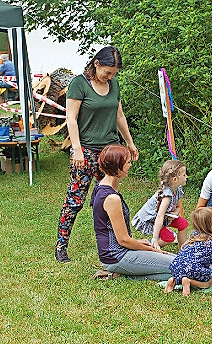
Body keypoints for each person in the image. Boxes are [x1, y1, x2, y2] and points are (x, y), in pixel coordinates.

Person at [55, 46, 139, 263]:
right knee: (75, 200)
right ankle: (61, 245)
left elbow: (119, 115)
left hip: (110, 152)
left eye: (114, 74)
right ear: (96, 63)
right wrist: (77, 150)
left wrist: (129, 143)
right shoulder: (79, 84)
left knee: (111, 199)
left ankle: (119, 242)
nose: (110, 77)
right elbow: (71, 119)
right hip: (86, 151)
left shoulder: (114, 85)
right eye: (107, 72)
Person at [90, 144, 175, 280]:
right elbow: (123, 240)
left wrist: (139, 243)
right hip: (117, 256)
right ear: (117, 166)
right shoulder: (111, 198)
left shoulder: (102, 186)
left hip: (121, 251)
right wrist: (150, 249)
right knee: (181, 267)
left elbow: (115, 232)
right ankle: (121, 275)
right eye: (128, 162)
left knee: (178, 261)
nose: (130, 165)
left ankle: (122, 274)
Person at [164, 207, 212, 296]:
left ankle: (174, 280)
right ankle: (189, 281)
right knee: (209, 282)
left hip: (176, 266)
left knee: (184, 272)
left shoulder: (194, 235)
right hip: (194, 269)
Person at [131, 160, 189, 250]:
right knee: (169, 238)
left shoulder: (177, 189)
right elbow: (159, 217)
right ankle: (145, 246)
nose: (186, 177)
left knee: (183, 223)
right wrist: (155, 238)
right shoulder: (166, 197)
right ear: (175, 179)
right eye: (184, 175)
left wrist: (175, 213)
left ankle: (183, 251)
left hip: (164, 217)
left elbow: (178, 207)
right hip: (150, 220)